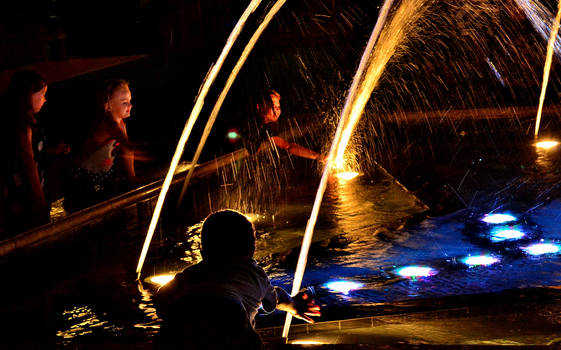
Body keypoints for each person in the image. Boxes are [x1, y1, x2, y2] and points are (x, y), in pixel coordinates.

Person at [154, 209, 321, 349]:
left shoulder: (191, 274)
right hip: (230, 317)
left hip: (181, 327)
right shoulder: (255, 275)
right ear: (252, 248)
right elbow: (275, 299)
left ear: (202, 249)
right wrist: (294, 306)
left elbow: (161, 299)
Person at [0, 70, 70, 236]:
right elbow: (28, 161)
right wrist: (39, 198)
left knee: (56, 213)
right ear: (28, 95)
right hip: (27, 190)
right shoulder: (22, 127)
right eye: (42, 94)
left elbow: (35, 151)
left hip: (41, 184)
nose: (45, 99)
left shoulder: (31, 122)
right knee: (34, 226)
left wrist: (53, 151)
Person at [64, 79, 137, 211]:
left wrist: (132, 177)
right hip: (81, 177)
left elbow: (127, 152)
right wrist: (134, 179)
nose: (130, 105)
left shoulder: (121, 123)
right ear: (108, 106)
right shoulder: (107, 126)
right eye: (124, 103)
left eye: (130, 101)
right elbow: (129, 148)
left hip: (100, 174)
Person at [252, 89, 324, 161]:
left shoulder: (268, 129)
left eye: (278, 107)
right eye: (273, 107)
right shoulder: (250, 125)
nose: (276, 111)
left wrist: (318, 156)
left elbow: (288, 147)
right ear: (259, 107)